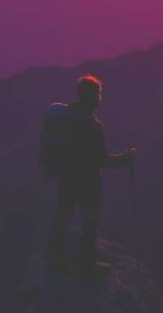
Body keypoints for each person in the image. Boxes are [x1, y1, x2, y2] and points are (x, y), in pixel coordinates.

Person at [46, 74, 136, 278]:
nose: (100, 98)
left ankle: (55, 261)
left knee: (62, 217)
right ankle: (87, 265)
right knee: (90, 220)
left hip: (67, 178)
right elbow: (103, 161)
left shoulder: (67, 118)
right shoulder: (94, 127)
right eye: (98, 94)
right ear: (92, 96)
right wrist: (127, 157)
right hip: (88, 182)